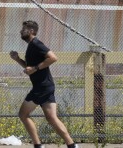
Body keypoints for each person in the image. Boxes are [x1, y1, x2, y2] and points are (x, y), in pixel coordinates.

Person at [8, 19, 76, 148]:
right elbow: (30, 67)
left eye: (24, 30)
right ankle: (72, 145)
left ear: (31, 31)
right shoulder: (31, 45)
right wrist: (17, 59)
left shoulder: (37, 43)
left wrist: (35, 68)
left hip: (42, 87)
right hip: (46, 86)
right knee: (51, 118)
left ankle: (38, 145)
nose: (21, 31)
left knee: (23, 114)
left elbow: (53, 57)